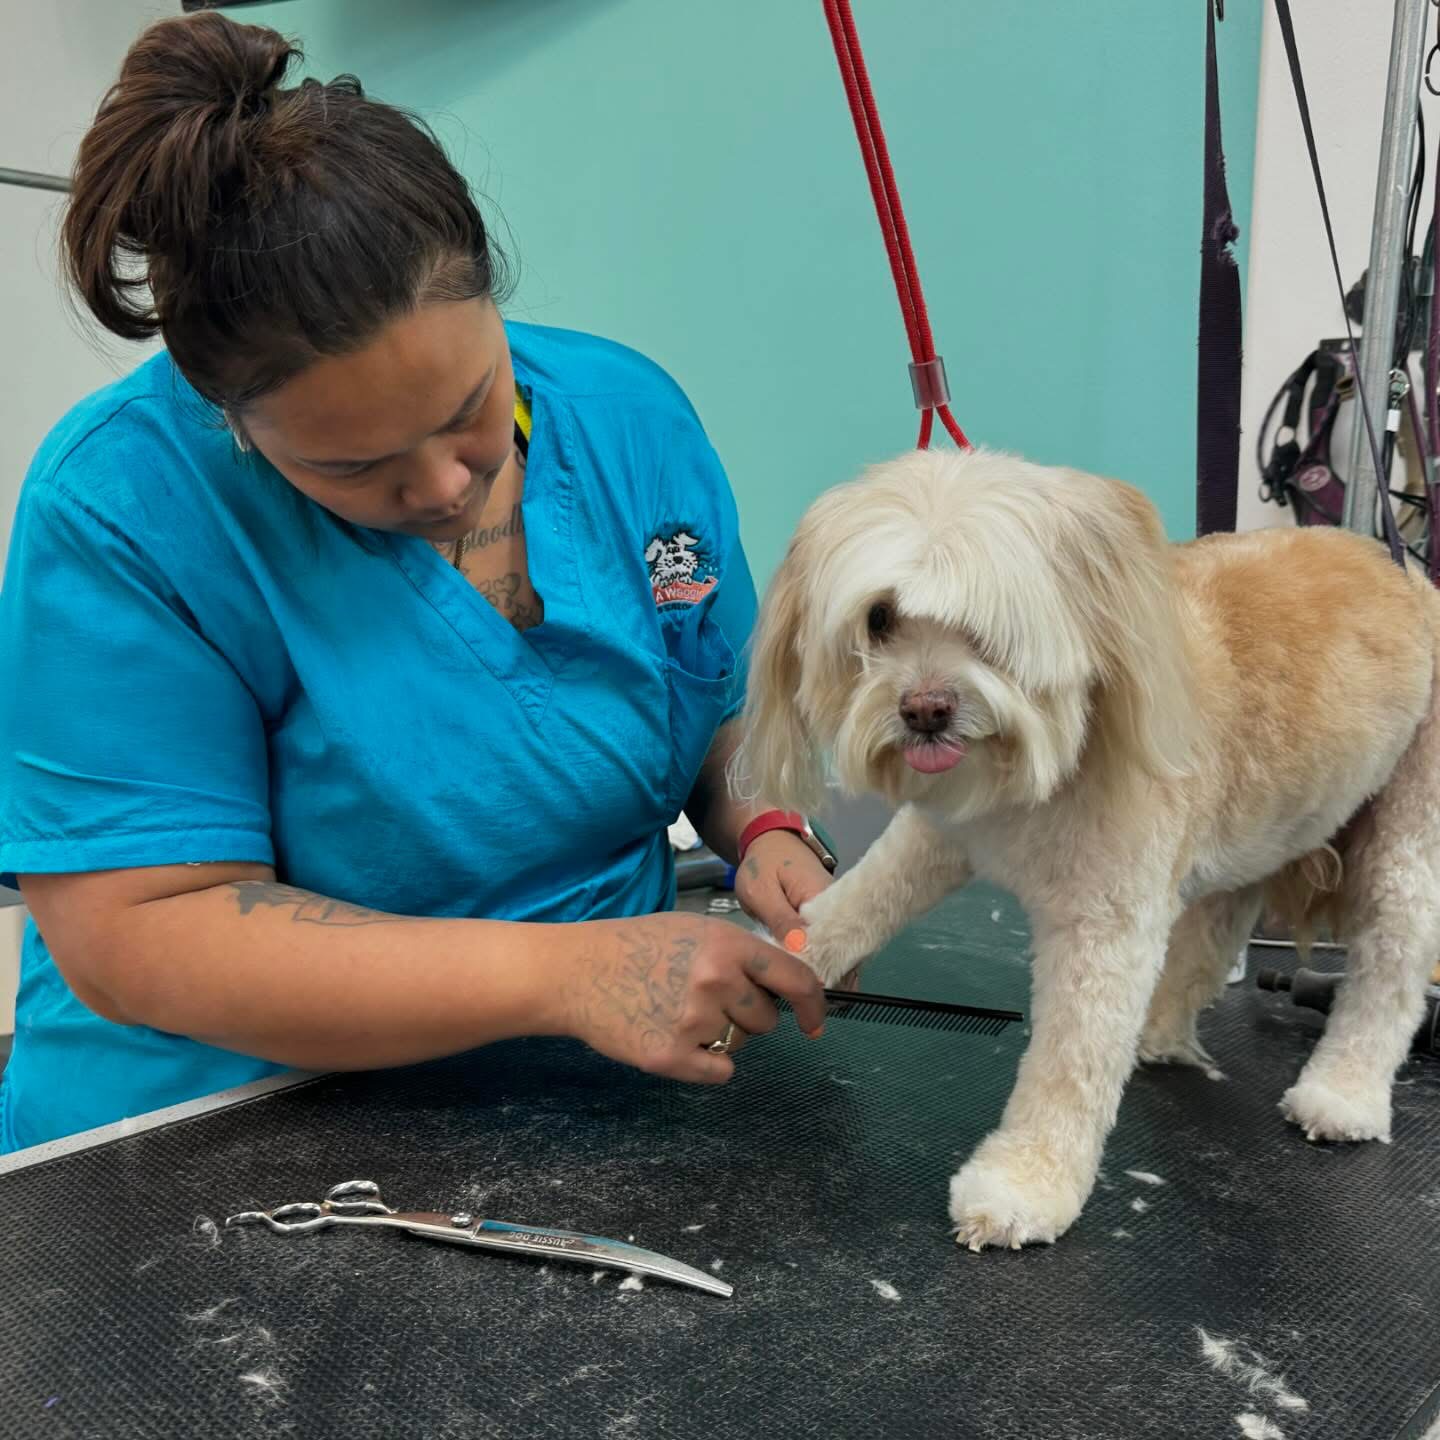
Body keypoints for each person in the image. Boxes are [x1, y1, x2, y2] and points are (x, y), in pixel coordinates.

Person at [0, 12, 833, 1153]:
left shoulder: (628, 419)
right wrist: (566, 977)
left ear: (490, 297)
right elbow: (140, 929)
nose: (444, 486)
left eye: (468, 411)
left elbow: (709, 709)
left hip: (582, 1106)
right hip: (213, 1130)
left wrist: (769, 825)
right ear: (229, 418)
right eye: (353, 467)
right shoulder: (124, 512)